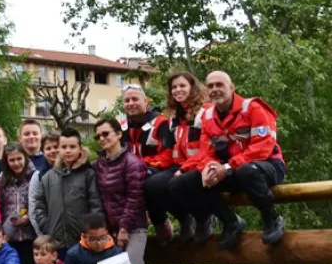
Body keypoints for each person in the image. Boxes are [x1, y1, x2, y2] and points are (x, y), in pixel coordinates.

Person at [171, 71, 287, 249]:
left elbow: (262, 147)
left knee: (246, 170)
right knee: (187, 181)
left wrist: (227, 168)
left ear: (232, 88)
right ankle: (231, 222)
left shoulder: (253, 108)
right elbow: (206, 151)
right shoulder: (208, 115)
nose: (215, 89)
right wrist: (207, 169)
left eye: (219, 85)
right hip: (232, 170)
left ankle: (272, 218)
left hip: (267, 166)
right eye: (210, 86)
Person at [92, 119, 161, 264]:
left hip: (134, 228)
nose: (102, 139)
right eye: (98, 136)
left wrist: (124, 228)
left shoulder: (132, 162)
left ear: (118, 134)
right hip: (111, 230)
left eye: (106, 134)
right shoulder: (100, 165)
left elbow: (135, 198)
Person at [144, 71, 206, 244]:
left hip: (202, 164)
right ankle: (185, 219)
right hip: (180, 166)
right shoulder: (174, 119)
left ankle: (203, 219)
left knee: (176, 185)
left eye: (182, 86)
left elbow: (208, 148)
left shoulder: (205, 113)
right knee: (152, 185)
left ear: (192, 88)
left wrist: (184, 168)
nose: (178, 90)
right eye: (174, 87)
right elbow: (171, 151)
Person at [32, 127, 102, 253]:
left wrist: (91, 232)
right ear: (59, 148)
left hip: (83, 241)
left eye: (72, 147)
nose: (68, 151)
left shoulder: (88, 174)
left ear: (80, 148)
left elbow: (95, 204)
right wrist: (47, 227)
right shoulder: (48, 177)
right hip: (57, 242)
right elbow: (39, 205)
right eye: (64, 147)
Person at [0, 143, 39, 264]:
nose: (16, 163)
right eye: (12, 160)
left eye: (19, 158)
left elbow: (40, 204)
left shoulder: (35, 177)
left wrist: (29, 218)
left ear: (25, 158)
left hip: (30, 236)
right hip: (10, 237)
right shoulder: (0, 181)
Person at [118, 85, 166, 165]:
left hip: (154, 169)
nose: (130, 103)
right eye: (127, 100)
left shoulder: (161, 123)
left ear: (146, 101)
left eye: (135, 99)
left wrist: (139, 163)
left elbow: (167, 156)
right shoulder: (122, 126)